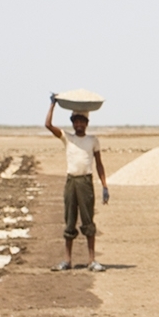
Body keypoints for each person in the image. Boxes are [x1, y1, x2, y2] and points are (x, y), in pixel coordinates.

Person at [44, 95, 109, 272]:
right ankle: (67, 260)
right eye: (76, 122)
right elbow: (48, 125)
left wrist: (104, 186)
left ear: (86, 123)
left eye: (82, 122)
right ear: (72, 122)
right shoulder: (67, 138)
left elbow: (99, 164)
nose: (79, 125)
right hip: (71, 182)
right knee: (69, 221)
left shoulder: (93, 141)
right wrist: (52, 105)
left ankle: (92, 261)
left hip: (86, 183)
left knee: (88, 222)